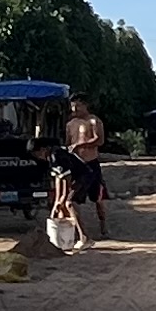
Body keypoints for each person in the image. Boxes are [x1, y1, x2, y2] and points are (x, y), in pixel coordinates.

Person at [60, 96, 112, 238]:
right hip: (76, 164)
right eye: (72, 106)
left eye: (77, 106)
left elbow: (99, 140)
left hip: (91, 163)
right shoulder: (70, 124)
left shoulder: (94, 121)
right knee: (73, 196)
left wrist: (80, 145)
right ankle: (78, 230)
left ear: (85, 105)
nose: (74, 109)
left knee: (97, 198)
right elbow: (68, 142)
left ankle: (103, 225)